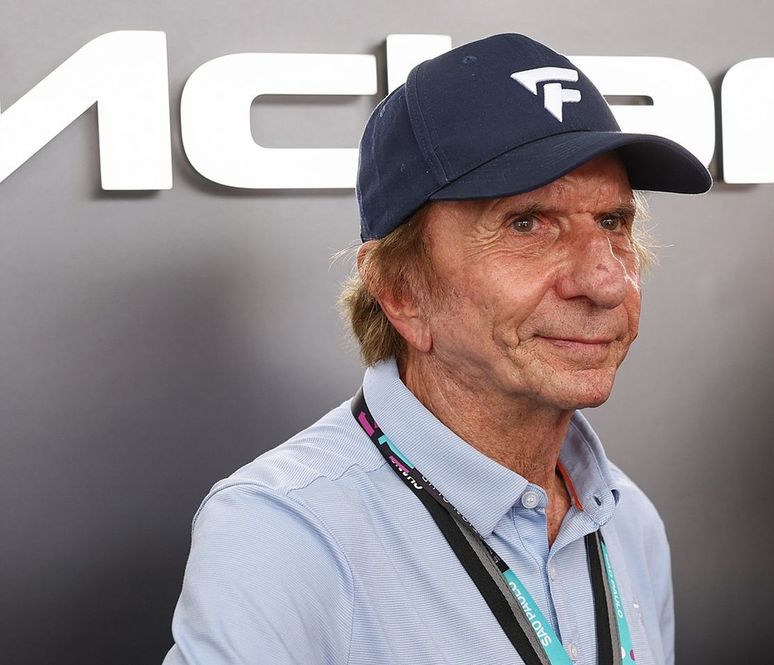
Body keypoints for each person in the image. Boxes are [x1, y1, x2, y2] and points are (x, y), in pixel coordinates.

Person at [163, 33, 711, 665]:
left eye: (613, 223)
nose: (604, 280)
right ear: (402, 290)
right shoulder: (283, 533)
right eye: (527, 223)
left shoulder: (626, 518)